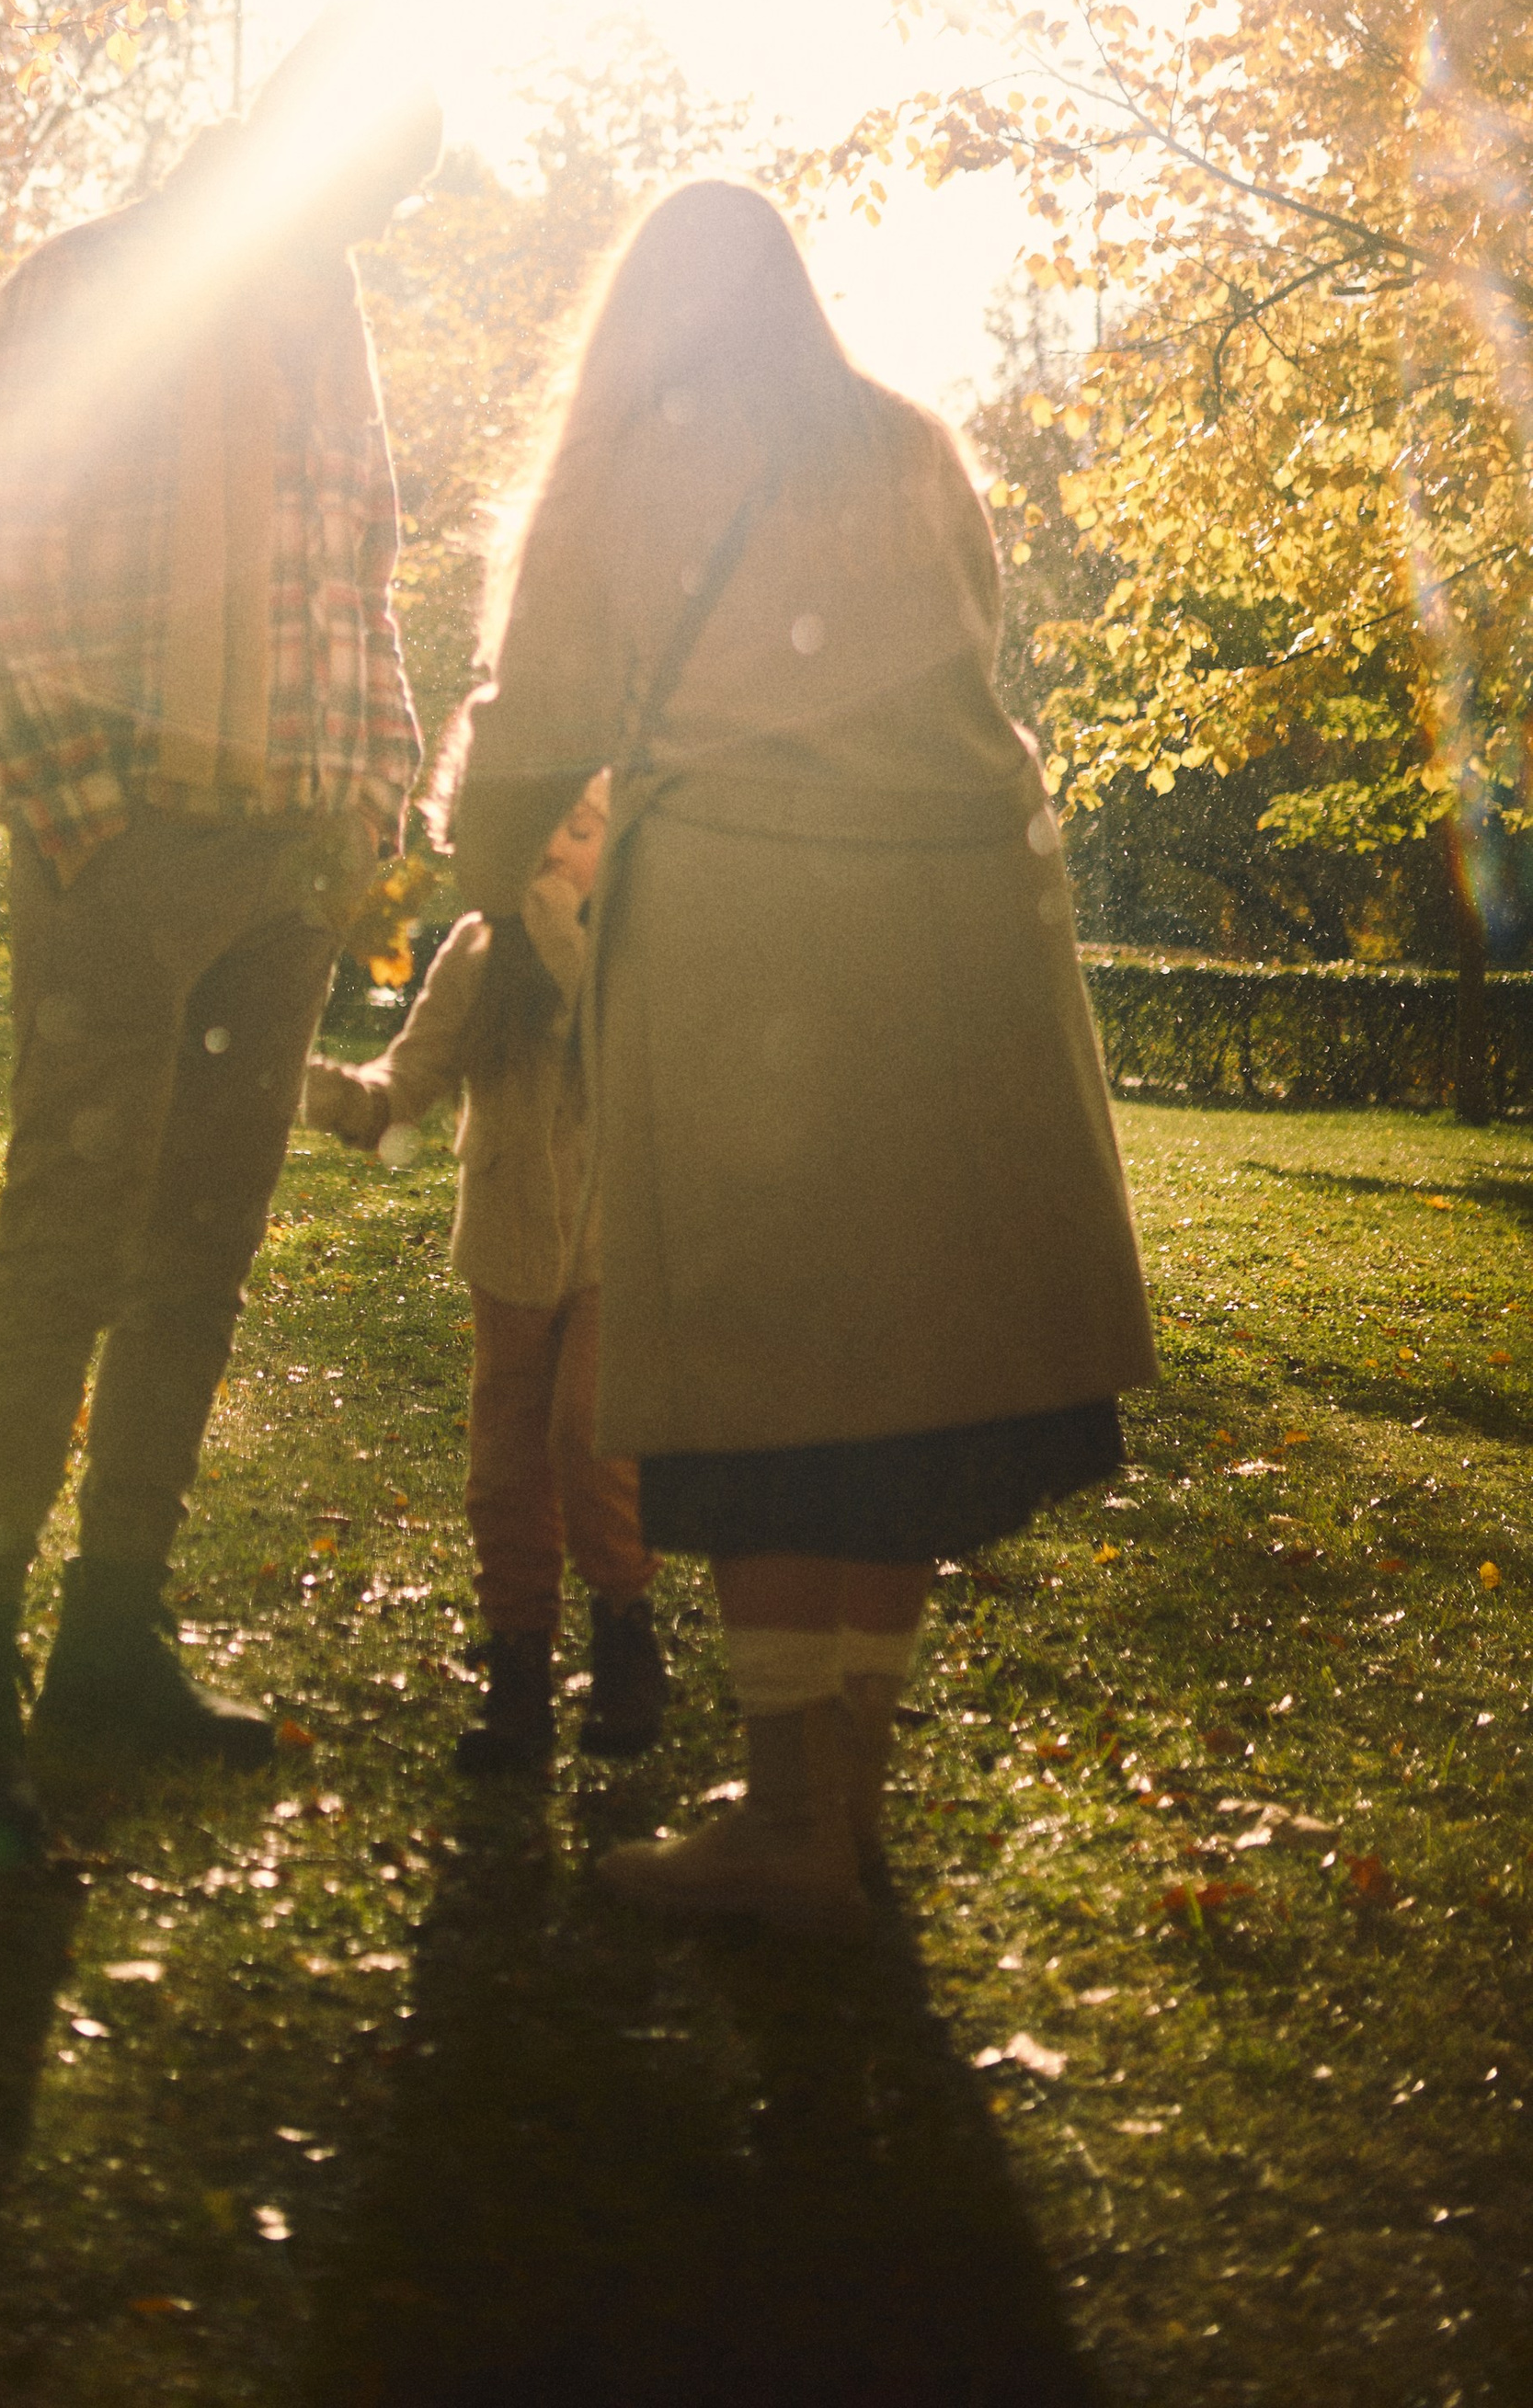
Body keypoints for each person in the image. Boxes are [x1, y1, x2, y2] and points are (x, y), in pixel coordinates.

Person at [440, 182, 1156, 1934]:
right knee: (894, 1377)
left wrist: (487, 871)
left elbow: (529, 736)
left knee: (766, 1383)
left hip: (749, 955)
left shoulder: (615, 466)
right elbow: (972, 646)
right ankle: (845, 1795)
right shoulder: (908, 445)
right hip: (957, 943)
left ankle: (785, 1813)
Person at [0, 16, 440, 1862]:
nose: (364, 222)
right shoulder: (94, 286)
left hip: (283, 864)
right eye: (355, 181)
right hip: (121, 847)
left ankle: (110, 1639)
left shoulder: (328, 324)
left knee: (197, 1250)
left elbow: (353, 574)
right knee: (63, 1234)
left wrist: (374, 805)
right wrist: (88, 815)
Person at [303, 773, 667, 1774]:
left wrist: (558, 934)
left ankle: (626, 1630)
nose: (558, 850)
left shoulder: (637, 943)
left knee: (590, 1436)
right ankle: (518, 1661)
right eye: (541, 830)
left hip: (609, 1249)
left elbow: (641, 1060)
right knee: (506, 1458)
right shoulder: (474, 949)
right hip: (505, 1248)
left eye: (584, 830)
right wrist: (338, 1099)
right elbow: (407, 1082)